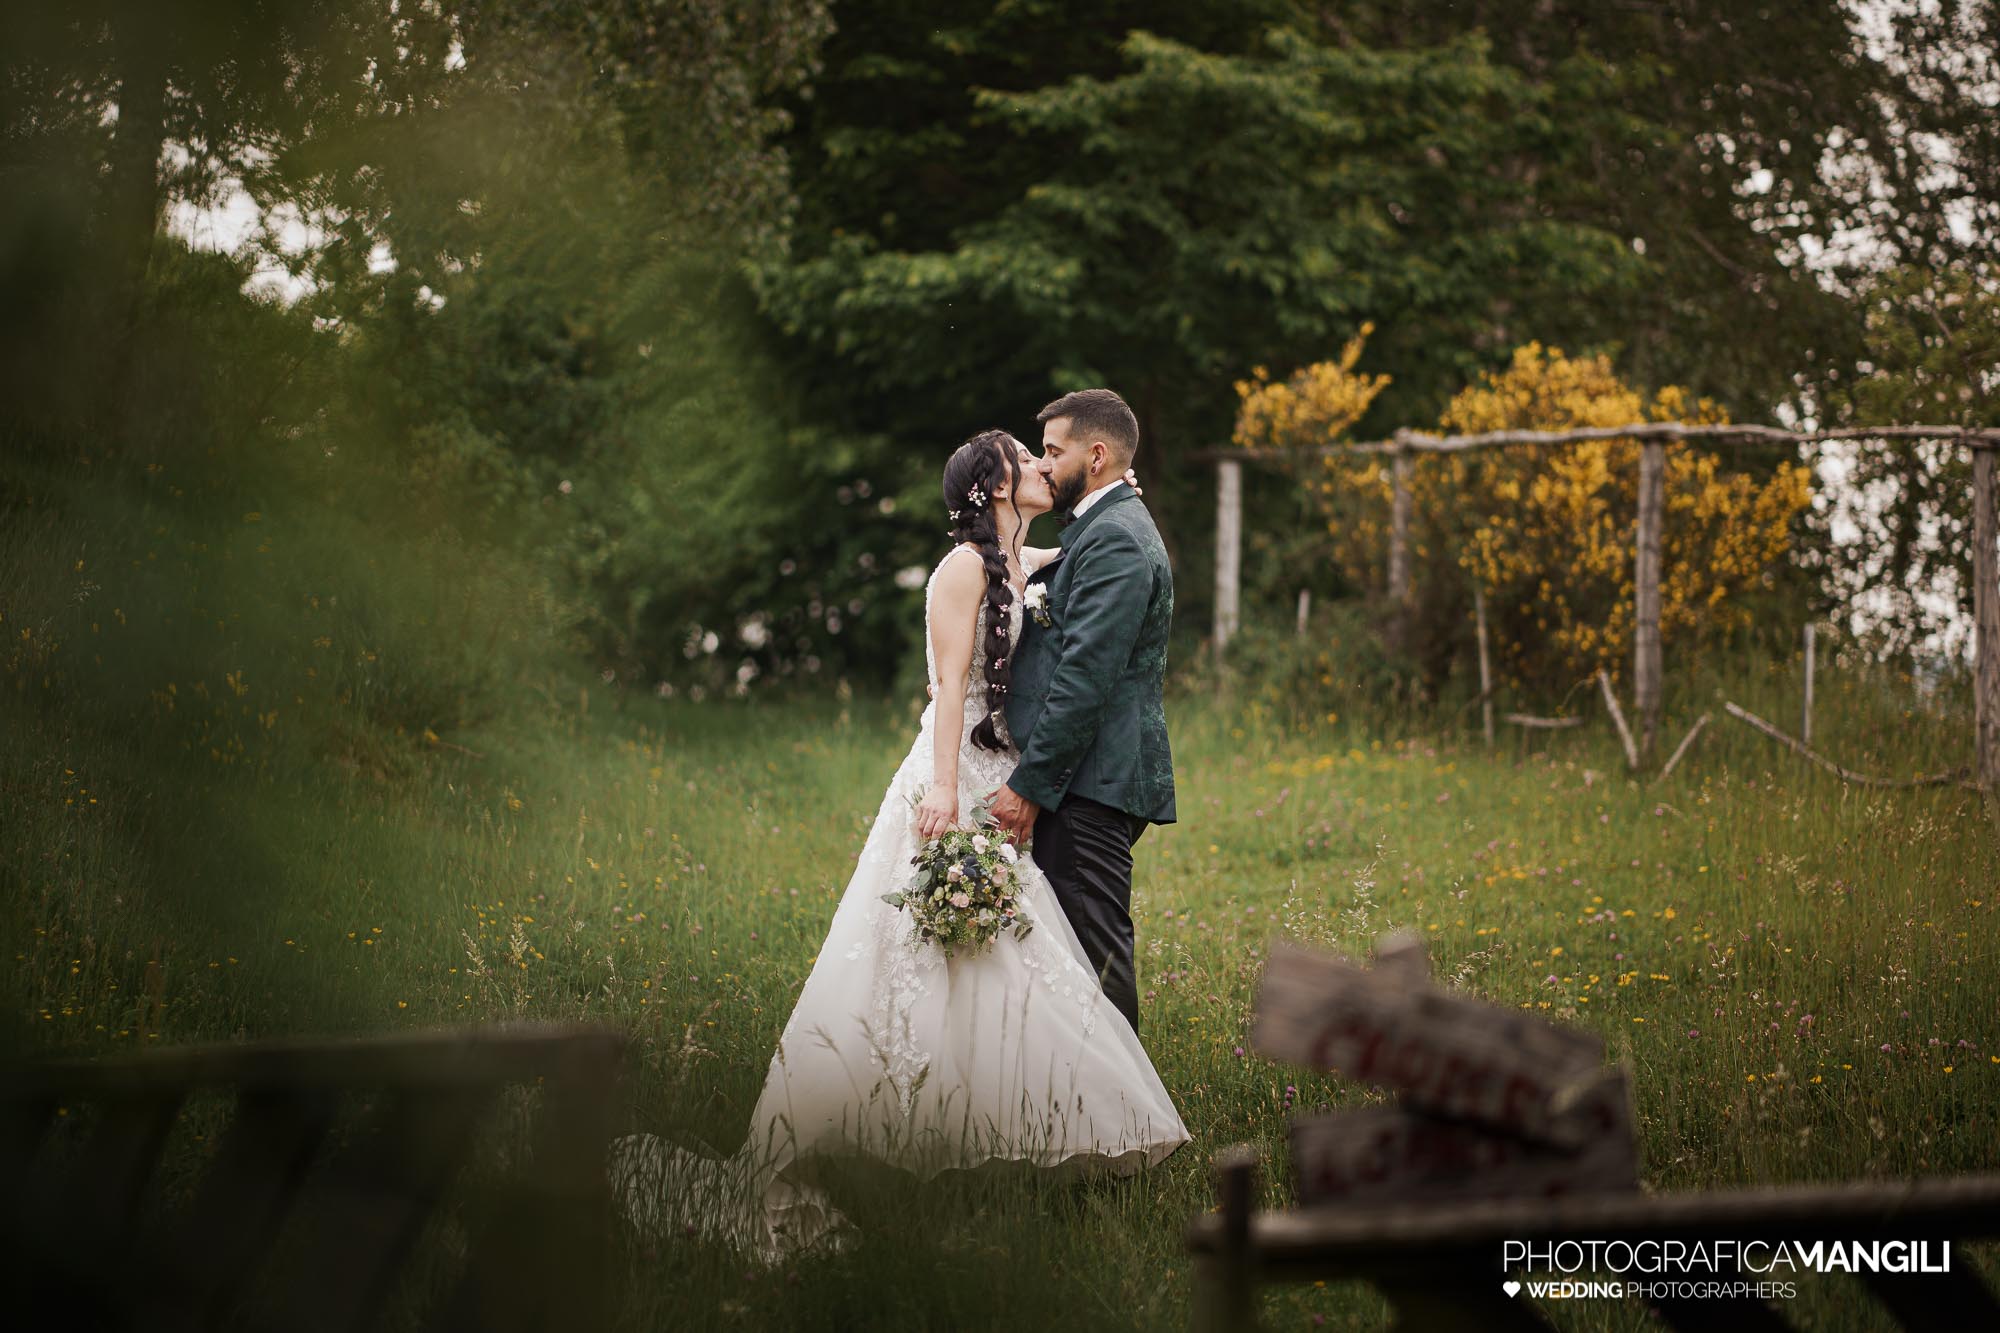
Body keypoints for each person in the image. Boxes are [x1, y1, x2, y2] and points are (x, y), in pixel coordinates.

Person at [610, 426, 1187, 1260]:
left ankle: (1012, 1138)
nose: (1040, 466)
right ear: (992, 487)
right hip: (956, 778)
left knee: (1009, 960)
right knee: (917, 955)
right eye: (1025, 460)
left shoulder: (1039, 562)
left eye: (1043, 452)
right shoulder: (961, 568)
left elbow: (1087, 579)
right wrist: (948, 789)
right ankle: (874, 1140)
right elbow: (951, 684)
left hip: (1009, 781)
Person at [990, 389, 1176, 1036]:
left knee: (1095, 954)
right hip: (1084, 774)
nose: (1042, 465)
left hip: (1090, 779)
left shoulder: (1118, 540)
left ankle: (1126, 1121)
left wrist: (1028, 787)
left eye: (1052, 451)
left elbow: (1085, 678)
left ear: (1096, 456)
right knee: (1069, 949)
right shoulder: (1103, 526)